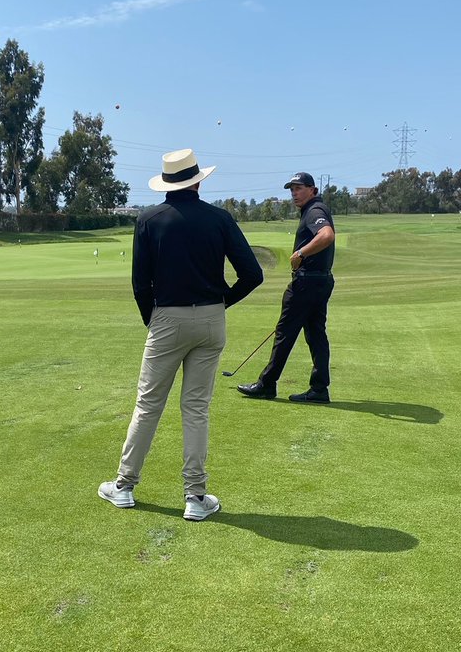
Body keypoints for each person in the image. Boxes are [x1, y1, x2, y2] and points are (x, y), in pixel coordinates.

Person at [98, 149, 263, 520]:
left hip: (166, 319)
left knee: (148, 405)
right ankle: (195, 496)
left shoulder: (148, 219)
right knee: (196, 409)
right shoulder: (219, 219)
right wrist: (221, 304)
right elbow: (253, 274)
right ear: (198, 180)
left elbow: (141, 284)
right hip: (211, 320)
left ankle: (124, 486)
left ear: (166, 184)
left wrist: (152, 320)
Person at [237, 171, 335, 403]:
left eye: (299, 188)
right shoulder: (313, 210)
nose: (294, 193)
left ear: (313, 190)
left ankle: (266, 384)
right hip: (320, 281)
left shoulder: (315, 210)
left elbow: (327, 235)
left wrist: (301, 252)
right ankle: (320, 389)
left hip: (307, 282)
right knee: (316, 334)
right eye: (292, 189)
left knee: (285, 333)